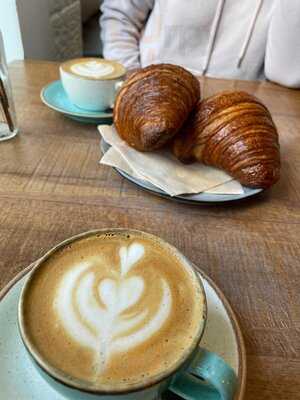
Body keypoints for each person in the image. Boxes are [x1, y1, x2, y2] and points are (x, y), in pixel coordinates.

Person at [100, 0, 300, 88]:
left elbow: (284, 73)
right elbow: (120, 17)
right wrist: (132, 81)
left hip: (239, 119)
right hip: (152, 96)